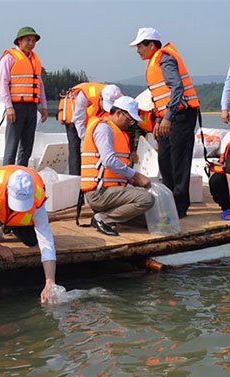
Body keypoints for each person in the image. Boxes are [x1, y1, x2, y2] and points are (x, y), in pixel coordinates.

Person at [130, 27, 199, 218]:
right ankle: (169, 199)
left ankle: (180, 205)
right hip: (168, 116)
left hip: (181, 116)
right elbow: (162, 96)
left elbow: (177, 88)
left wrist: (167, 118)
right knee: (165, 158)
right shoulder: (154, 61)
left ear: (151, 45)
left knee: (179, 160)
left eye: (140, 46)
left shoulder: (165, 59)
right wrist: (160, 119)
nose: (138, 51)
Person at [0, 165, 61, 303]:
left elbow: (45, 239)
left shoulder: (37, 197)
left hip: (15, 218)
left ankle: (8, 225)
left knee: (31, 241)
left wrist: (50, 282)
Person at [81, 96, 154, 236]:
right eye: (129, 119)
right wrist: (136, 175)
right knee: (146, 199)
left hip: (112, 191)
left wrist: (133, 181)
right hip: (99, 193)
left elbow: (116, 168)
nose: (130, 124)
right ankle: (102, 218)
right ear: (119, 113)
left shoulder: (118, 132)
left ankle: (109, 215)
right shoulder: (104, 128)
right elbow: (109, 161)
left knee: (148, 219)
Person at [0, 26, 47, 167]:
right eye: (28, 40)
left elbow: (40, 84)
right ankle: (7, 175)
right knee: (11, 146)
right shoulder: (9, 58)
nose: (31, 43)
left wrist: (43, 106)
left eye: (33, 40)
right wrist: (9, 107)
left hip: (31, 107)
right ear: (19, 41)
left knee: (27, 147)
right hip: (16, 107)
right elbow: (3, 83)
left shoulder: (35, 60)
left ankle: (21, 175)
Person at [58, 84, 122, 175]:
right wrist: (87, 139)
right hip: (73, 115)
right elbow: (78, 120)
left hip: (92, 119)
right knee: (75, 149)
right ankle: (76, 179)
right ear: (101, 98)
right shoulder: (85, 95)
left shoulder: (118, 95)